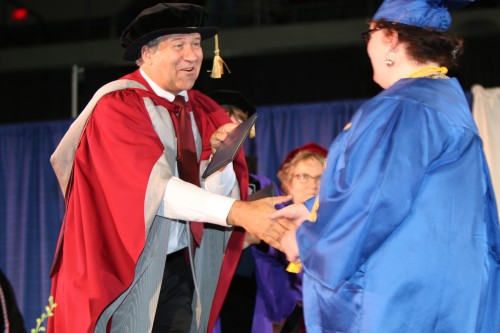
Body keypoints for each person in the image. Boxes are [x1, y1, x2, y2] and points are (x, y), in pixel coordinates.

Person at [47, 3, 292, 333]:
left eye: (196, 44)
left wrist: (219, 165)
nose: (192, 56)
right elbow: (156, 190)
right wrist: (240, 212)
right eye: (179, 45)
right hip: (122, 267)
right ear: (147, 54)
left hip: (179, 265)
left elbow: (207, 199)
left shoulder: (202, 110)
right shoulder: (117, 108)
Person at [271, 0, 500, 332]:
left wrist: (308, 242)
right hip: (444, 292)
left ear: (391, 38)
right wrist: (312, 209)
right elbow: (419, 196)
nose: (367, 45)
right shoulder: (443, 98)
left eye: (370, 34)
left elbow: (376, 199)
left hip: (403, 297)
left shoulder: (404, 105)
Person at [251, 143, 326, 333]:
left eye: (320, 177)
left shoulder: (342, 228)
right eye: (303, 177)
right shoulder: (269, 226)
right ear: (286, 183)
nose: (313, 184)